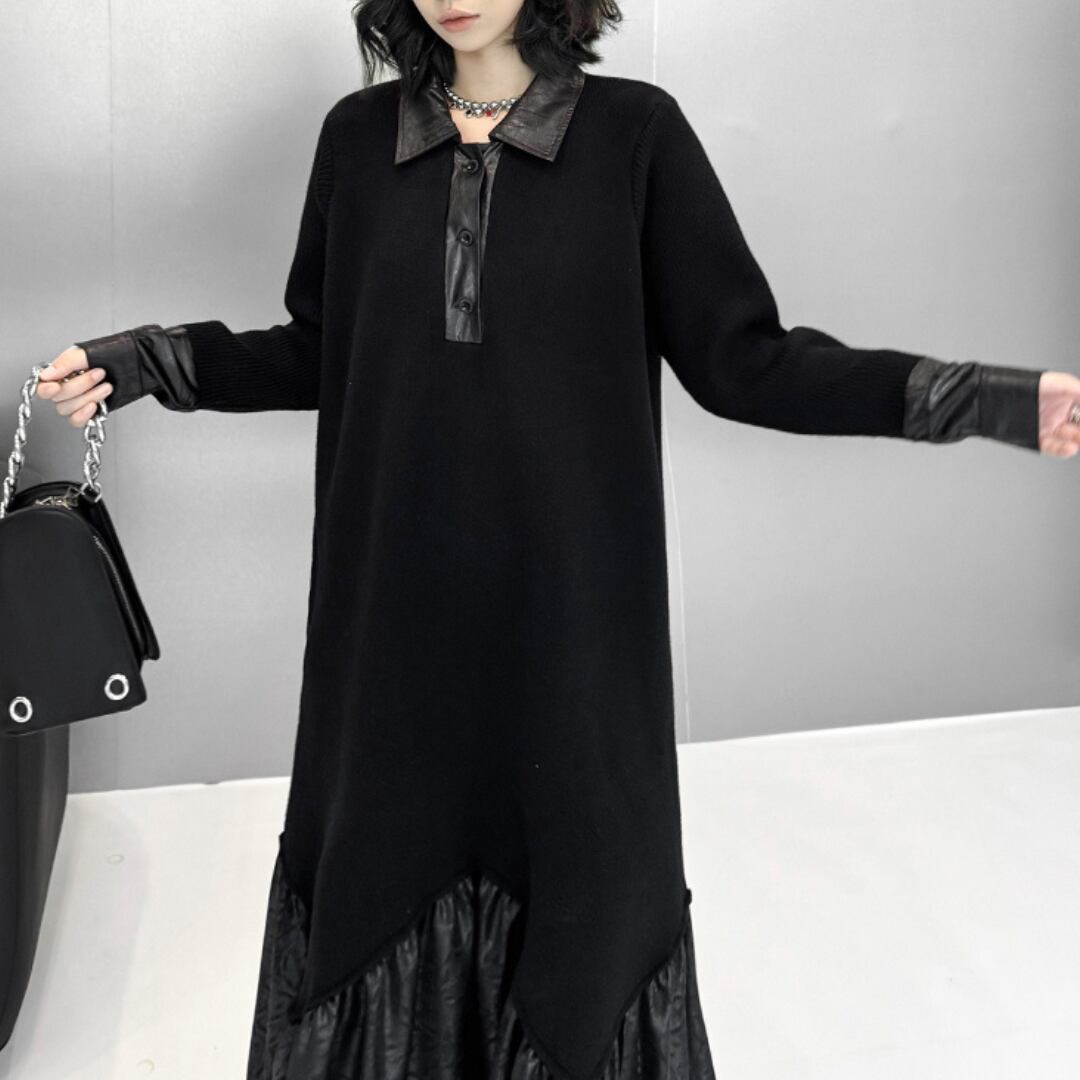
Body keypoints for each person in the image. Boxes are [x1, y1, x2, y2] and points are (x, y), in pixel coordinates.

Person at [35, 0, 1080, 1076]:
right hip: (390, 618)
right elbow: (321, 348)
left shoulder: (636, 135)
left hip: (573, 619)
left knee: (585, 894)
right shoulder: (356, 139)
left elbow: (748, 362)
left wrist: (981, 400)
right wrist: (150, 362)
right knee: (379, 867)